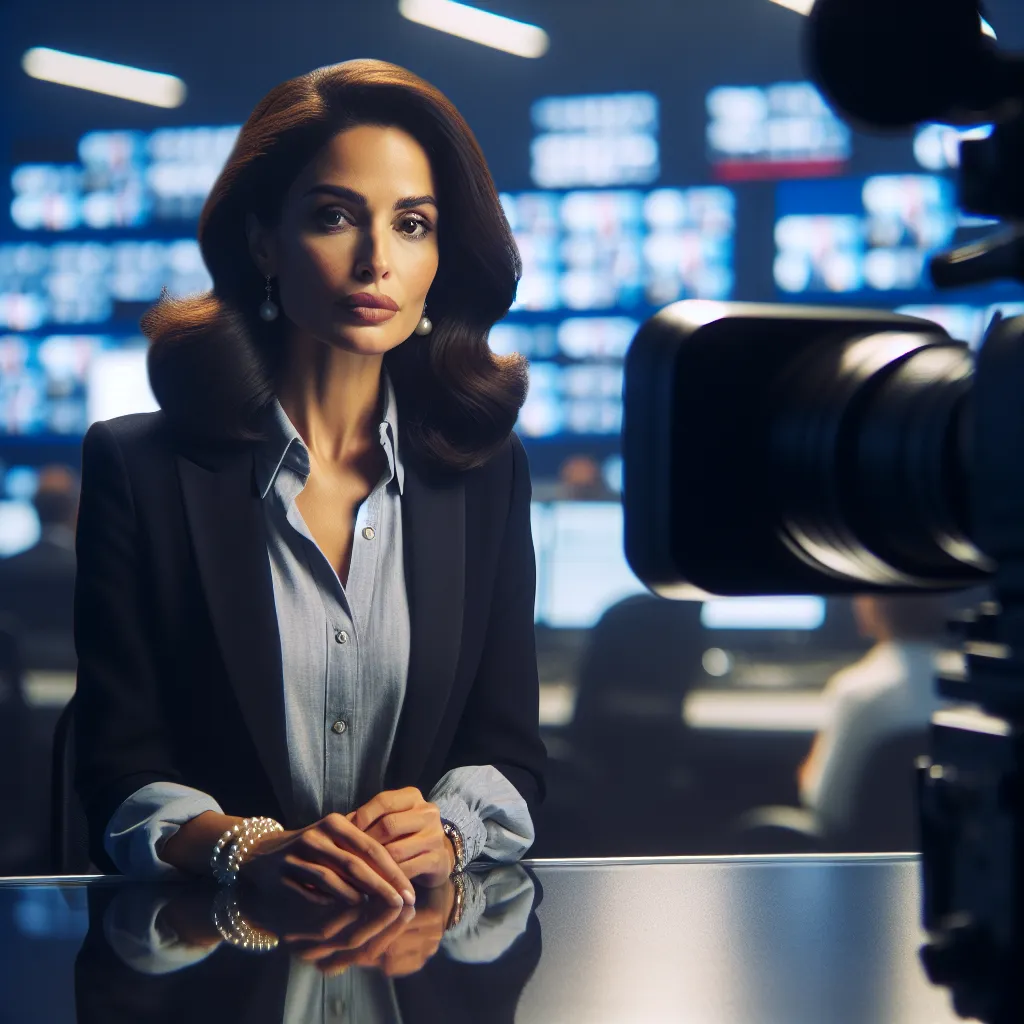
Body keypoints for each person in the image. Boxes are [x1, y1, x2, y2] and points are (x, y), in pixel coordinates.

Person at [74, 59, 546, 904]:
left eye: (411, 224)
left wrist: (446, 829)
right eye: (335, 217)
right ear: (263, 241)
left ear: (442, 252)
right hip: (212, 963)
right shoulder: (139, 470)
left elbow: (510, 753)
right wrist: (245, 848)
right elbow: (115, 765)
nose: (376, 262)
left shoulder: (485, 475)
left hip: (414, 958)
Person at [797, 594, 948, 833]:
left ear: (871, 607)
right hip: (945, 858)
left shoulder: (856, 691)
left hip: (866, 863)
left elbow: (827, 803)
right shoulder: (971, 687)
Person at [0, 465, 79, 670]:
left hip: (18, 678)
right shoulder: (90, 569)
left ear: (34, 507)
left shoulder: (7, 569)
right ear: (73, 508)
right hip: (79, 676)